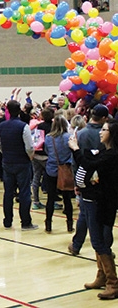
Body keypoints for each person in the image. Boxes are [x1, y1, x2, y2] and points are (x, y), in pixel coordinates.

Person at [69, 119, 118, 300]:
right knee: (97, 239)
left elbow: (89, 165)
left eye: (104, 130)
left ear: (112, 134)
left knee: (99, 241)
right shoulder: (105, 151)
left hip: (103, 202)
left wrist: (75, 149)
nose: (100, 132)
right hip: (92, 199)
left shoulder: (112, 155)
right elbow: (89, 161)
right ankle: (102, 275)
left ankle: (113, 283)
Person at [70, 104, 108, 255]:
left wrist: (76, 182)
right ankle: (103, 249)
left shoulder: (80, 133)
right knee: (101, 216)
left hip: (84, 178)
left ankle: (77, 244)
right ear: (104, 118)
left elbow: (74, 160)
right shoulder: (108, 133)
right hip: (103, 179)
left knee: (85, 213)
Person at [0, 100, 38, 230]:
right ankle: (25, 222)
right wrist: (30, 156)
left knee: (8, 192)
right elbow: (29, 146)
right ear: (19, 110)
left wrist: (7, 153)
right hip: (22, 162)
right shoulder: (23, 126)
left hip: (7, 162)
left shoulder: (1, 126)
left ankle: (7, 221)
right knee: (24, 192)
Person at [43, 115, 74, 233]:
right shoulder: (68, 137)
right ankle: (70, 224)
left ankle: (48, 224)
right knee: (67, 199)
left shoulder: (48, 137)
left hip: (51, 169)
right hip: (65, 169)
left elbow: (47, 150)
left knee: (50, 198)